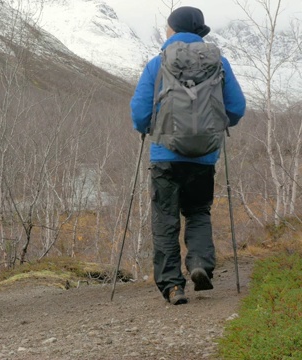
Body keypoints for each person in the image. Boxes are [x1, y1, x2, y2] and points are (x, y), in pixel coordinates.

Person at [130, 6, 246, 305]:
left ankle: (172, 286)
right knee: (197, 212)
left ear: (172, 29)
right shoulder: (218, 63)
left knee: (165, 219)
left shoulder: (158, 64)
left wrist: (148, 129)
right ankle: (199, 264)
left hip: (165, 155)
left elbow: (140, 113)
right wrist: (216, 126)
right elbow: (236, 108)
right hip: (204, 156)